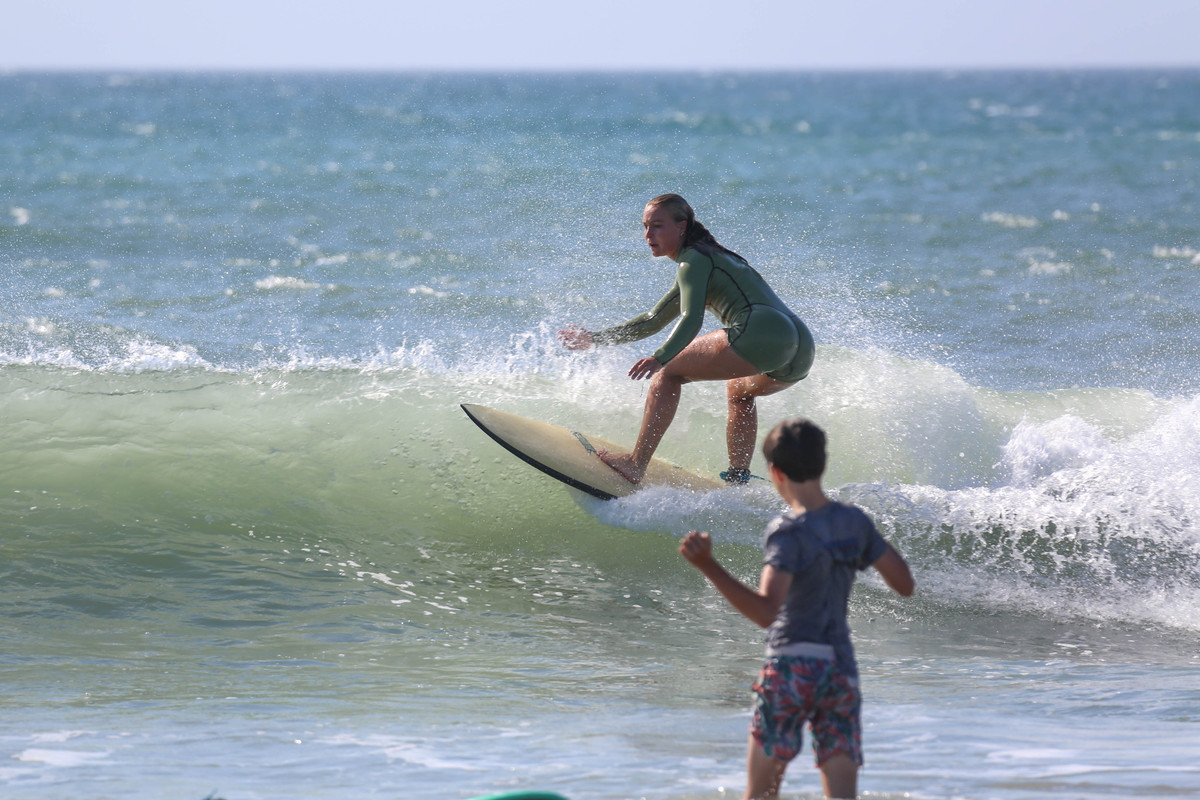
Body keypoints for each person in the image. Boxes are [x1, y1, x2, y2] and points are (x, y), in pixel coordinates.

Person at [679, 418, 914, 800]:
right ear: (822, 463)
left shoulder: (788, 531)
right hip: (839, 671)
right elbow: (904, 585)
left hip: (791, 667)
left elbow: (767, 612)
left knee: (761, 795)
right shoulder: (853, 522)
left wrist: (709, 565)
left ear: (775, 472)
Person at [557, 194, 814, 485]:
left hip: (760, 331)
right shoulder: (710, 258)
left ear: (681, 227)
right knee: (740, 392)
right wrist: (595, 339)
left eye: (657, 226)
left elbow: (691, 319)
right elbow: (653, 320)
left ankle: (635, 464)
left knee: (668, 373)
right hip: (800, 348)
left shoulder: (693, 260)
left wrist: (661, 358)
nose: (648, 235)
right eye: (644, 226)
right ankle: (738, 477)